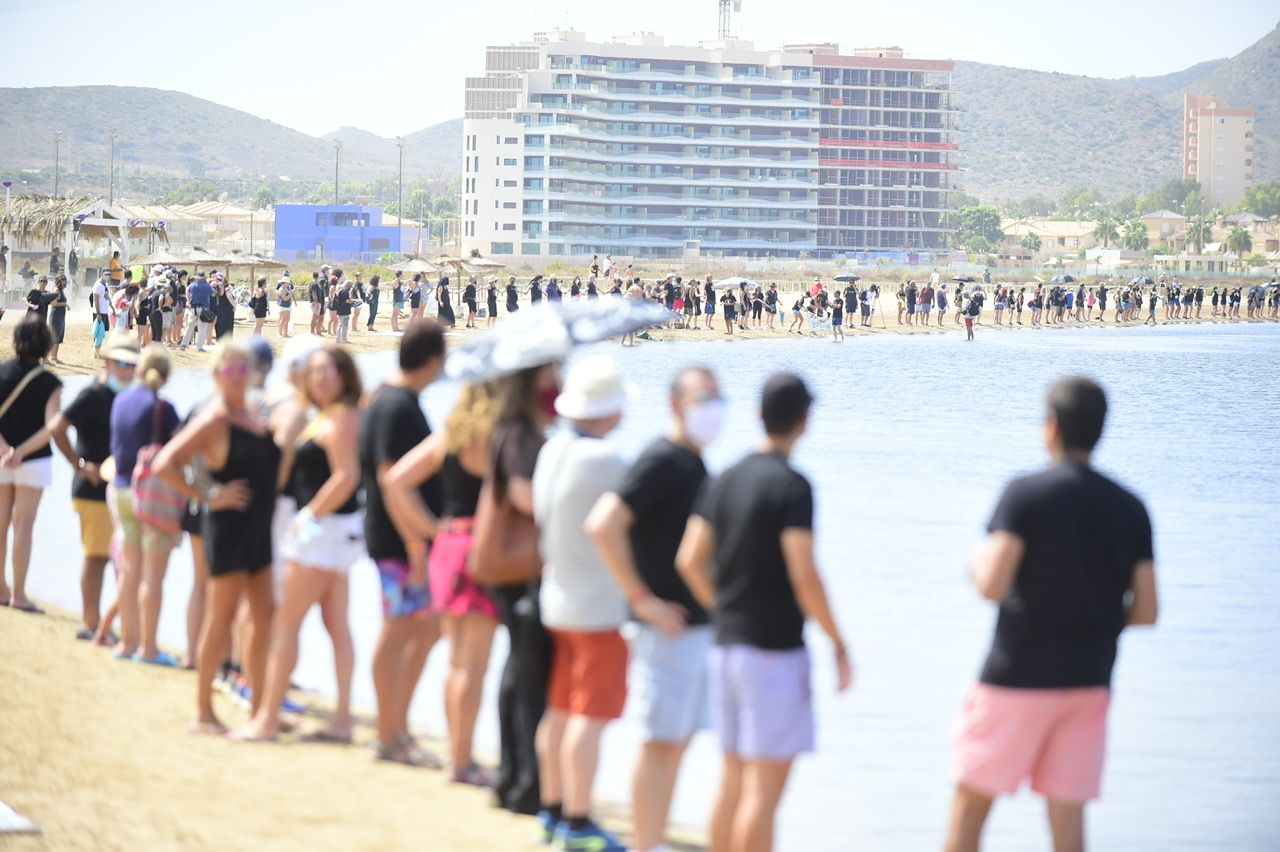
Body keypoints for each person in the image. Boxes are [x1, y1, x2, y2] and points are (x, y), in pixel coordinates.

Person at [945, 377, 1158, 852]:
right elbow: (1146, 610)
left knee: (969, 818)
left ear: (1051, 427)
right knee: (1068, 831)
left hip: (1016, 676)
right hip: (1088, 682)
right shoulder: (1131, 508)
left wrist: (975, 562)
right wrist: (1098, 615)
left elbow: (993, 584)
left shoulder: (1025, 494)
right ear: (1101, 431)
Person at [676, 372, 852, 852]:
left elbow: (689, 559)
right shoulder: (793, 487)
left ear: (757, 414)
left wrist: (725, 607)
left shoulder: (724, 478)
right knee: (764, 791)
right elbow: (804, 575)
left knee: (732, 780)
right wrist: (838, 641)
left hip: (726, 647)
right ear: (805, 422)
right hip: (773, 651)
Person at [587, 367, 723, 852]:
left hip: (691, 629)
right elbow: (603, 523)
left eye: (717, 397)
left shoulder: (690, 462)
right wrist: (642, 600)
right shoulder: (663, 458)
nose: (713, 407)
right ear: (676, 404)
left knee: (677, 740)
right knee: (660, 741)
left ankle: (653, 839)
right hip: (668, 630)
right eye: (703, 397)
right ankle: (645, 844)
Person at [233, 345, 363, 743]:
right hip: (333, 534)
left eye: (329, 371)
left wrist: (308, 518)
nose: (320, 377)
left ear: (345, 376)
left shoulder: (340, 416)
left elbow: (346, 477)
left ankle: (268, 718)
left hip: (323, 534)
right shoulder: (325, 414)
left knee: (286, 623)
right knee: (336, 625)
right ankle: (340, 719)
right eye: (315, 370)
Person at [531, 356, 631, 851]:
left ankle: (551, 811)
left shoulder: (553, 448)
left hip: (558, 596)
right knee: (588, 718)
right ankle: (578, 818)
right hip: (596, 606)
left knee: (559, 709)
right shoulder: (604, 461)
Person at [152, 342, 278, 731]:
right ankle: (203, 712)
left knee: (263, 618)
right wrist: (208, 495)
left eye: (244, 368)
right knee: (220, 618)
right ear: (217, 375)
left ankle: (259, 710)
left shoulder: (255, 416)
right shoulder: (214, 419)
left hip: (259, 527)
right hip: (227, 528)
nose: (239, 375)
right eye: (230, 369)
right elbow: (163, 464)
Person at [384, 382, 499, 785]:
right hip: (480, 547)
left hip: (447, 548)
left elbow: (396, 481)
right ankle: (462, 762)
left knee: (455, 662)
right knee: (475, 665)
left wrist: (431, 530)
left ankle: (458, 757)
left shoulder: (451, 434)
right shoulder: (498, 438)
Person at [361, 320, 449, 765]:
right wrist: (417, 543)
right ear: (433, 360)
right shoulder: (396, 406)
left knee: (425, 628)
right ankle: (389, 734)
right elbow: (389, 479)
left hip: (399, 538)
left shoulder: (389, 399)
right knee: (399, 631)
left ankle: (397, 728)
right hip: (399, 542)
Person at [487, 362, 558, 815]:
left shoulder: (515, 429)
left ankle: (514, 776)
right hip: (523, 569)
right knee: (527, 674)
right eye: (552, 374)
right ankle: (525, 780)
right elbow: (523, 496)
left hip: (516, 569)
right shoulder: (519, 434)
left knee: (518, 669)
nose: (559, 383)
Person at [45, 333, 137, 637]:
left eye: (133, 364)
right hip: (93, 489)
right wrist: (78, 465)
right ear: (108, 361)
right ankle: (89, 623)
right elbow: (57, 427)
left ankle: (104, 624)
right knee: (96, 556)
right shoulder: (93, 395)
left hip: (119, 490)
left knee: (115, 559)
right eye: (122, 363)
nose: (128, 370)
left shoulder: (127, 396)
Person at [109, 344, 181, 663]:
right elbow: (181, 452)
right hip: (150, 498)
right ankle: (148, 649)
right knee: (153, 577)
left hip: (121, 490)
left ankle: (127, 643)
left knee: (129, 572)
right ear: (165, 376)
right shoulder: (163, 408)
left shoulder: (120, 399)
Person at [0, 318, 64, 612]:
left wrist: (6, 450)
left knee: (1, 525)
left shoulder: (1, 371)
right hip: (34, 460)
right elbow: (52, 426)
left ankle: (1, 588)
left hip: (0, 457)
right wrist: (22, 452)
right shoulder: (49, 381)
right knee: (24, 526)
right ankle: (20, 595)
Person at [182, 272, 213, 351]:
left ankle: (184, 344)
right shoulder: (207, 286)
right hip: (204, 309)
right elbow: (213, 294)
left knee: (189, 327)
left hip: (193, 308)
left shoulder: (192, 285)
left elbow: (187, 292)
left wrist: (188, 301)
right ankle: (200, 347)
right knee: (202, 328)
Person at [47, 276, 69, 364]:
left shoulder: (61, 291)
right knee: (55, 337)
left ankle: (55, 357)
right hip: (55, 316)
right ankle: (52, 357)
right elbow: (53, 303)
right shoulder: (56, 290)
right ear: (58, 281)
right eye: (63, 280)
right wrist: (65, 304)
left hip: (60, 316)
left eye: (65, 279)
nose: (64, 281)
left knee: (59, 337)